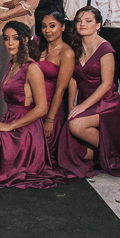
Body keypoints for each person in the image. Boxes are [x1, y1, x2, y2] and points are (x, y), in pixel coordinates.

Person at [0, 21, 60, 188]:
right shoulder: (12, 64)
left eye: (16, 38)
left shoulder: (32, 67)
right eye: (6, 39)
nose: (10, 43)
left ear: (26, 40)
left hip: (26, 130)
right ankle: (11, 160)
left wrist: (10, 126)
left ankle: (22, 159)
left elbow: (42, 108)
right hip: (11, 121)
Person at [57, 7, 120, 177]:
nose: (82, 24)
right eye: (79, 20)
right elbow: (73, 79)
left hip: (106, 102)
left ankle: (113, 150)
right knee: (74, 153)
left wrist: (82, 107)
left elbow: (107, 84)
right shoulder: (75, 46)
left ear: (98, 25)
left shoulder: (105, 48)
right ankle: (102, 150)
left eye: (88, 20)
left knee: (75, 125)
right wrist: (72, 104)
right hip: (86, 100)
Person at [36, 11, 75, 154]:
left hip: (50, 107)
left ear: (63, 27)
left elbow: (60, 89)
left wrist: (50, 120)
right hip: (32, 104)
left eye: (52, 26)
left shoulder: (67, 53)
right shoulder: (39, 46)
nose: (47, 30)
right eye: (44, 26)